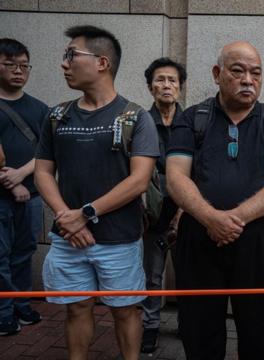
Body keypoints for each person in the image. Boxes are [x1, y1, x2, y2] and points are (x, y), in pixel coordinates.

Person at [165, 41, 264, 359]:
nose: (248, 80)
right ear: (217, 73)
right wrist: (211, 219)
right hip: (199, 239)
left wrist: (233, 218)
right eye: (238, 71)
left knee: (260, 332)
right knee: (199, 332)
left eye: (256, 73)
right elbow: (175, 177)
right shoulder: (192, 119)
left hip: (258, 243)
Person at [34, 25, 159, 360]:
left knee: (126, 310)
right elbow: (43, 170)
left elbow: (138, 181)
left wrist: (85, 214)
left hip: (119, 238)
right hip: (68, 237)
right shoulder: (57, 115)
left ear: (102, 62)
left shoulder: (135, 116)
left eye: (72, 54)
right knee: (77, 309)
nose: (64, 63)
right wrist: (66, 218)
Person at [0, 38, 48, 336]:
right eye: (10, 65)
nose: (19, 71)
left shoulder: (40, 108)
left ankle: (20, 303)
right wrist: (8, 180)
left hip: (30, 194)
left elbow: (47, 153)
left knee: (24, 251)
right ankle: (3, 312)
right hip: (1, 197)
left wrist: (20, 176)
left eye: (24, 65)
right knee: (0, 255)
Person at [140, 57, 186, 354]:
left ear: (180, 88)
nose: (166, 85)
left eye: (172, 80)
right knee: (152, 277)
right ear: (150, 86)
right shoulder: (141, 123)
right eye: (160, 80)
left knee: (189, 273)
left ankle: (188, 323)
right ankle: (150, 327)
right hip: (153, 215)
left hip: (187, 214)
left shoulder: (191, 122)